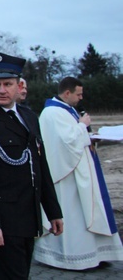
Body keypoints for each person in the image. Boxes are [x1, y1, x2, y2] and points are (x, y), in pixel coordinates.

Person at [0, 53, 63, 280]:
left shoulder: (28, 116)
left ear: (19, 86)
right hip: (4, 219)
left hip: (29, 215)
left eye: (8, 84)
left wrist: (53, 211)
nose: (1, 90)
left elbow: (40, 166)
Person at [34, 77, 123, 270]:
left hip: (78, 171)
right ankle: (69, 258)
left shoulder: (66, 110)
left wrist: (90, 135)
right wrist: (82, 125)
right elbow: (66, 143)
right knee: (72, 216)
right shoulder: (52, 113)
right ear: (67, 93)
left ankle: (94, 255)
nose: (81, 98)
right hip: (65, 178)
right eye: (78, 94)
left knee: (86, 213)